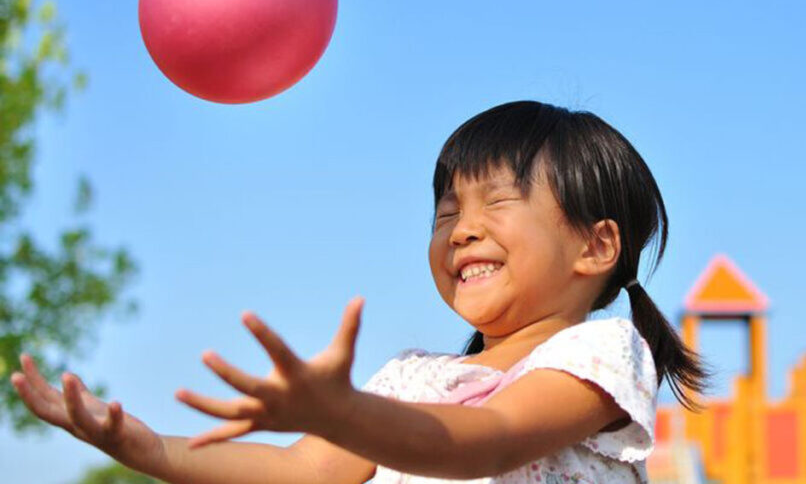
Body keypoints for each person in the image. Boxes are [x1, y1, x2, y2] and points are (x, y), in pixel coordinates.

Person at [11, 100, 705, 483]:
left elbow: (486, 442)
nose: (462, 231)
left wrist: (342, 412)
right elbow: (301, 472)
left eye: (496, 203)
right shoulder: (410, 377)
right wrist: (148, 448)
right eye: (445, 213)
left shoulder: (602, 351)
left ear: (596, 246)